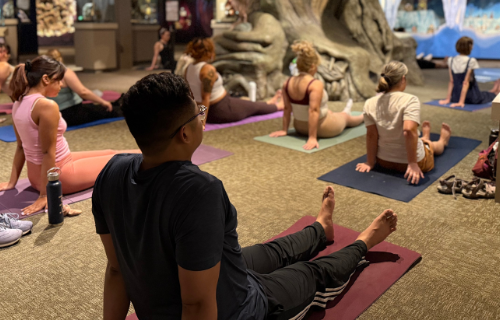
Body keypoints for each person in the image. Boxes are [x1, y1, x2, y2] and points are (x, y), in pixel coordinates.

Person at [92, 72, 398, 320]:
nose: (202, 117)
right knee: (311, 273)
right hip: (241, 310)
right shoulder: (198, 191)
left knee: (271, 252)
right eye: (198, 113)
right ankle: (363, 243)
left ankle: (320, 228)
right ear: (184, 134)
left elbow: (117, 269)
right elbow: (196, 306)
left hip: (217, 282)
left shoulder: (112, 171)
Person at [0, 56, 139, 216]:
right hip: (59, 174)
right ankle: (157, 156)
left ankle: (152, 154)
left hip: (36, 175)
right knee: (121, 161)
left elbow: (20, 147)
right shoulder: (46, 106)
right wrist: (46, 195)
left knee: (112, 152)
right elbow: (47, 153)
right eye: (58, 80)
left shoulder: (18, 102)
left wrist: (12, 182)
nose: (61, 85)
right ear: (45, 79)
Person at [356, 61, 451, 184]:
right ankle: (441, 141)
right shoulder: (410, 100)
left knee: (418, 138)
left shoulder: (370, 102)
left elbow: (371, 135)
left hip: (384, 162)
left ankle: (424, 138)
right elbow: (408, 131)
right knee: (431, 146)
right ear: (403, 79)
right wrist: (412, 163)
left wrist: (369, 162)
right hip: (414, 163)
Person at [270, 41, 364, 150]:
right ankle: (363, 116)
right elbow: (313, 111)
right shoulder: (315, 84)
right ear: (313, 66)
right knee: (345, 117)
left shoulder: (287, 83)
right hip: (323, 128)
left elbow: (287, 108)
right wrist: (312, 137)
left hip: (299, 127)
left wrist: (284, 130)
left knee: (329, 112)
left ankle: (347, 111)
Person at [183, 37, 283, 124]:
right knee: (252, 107)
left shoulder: (188, 68)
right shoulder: (207, 70)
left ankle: (269, 103)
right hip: (221, 109)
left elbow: (191, 95)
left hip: (214, 107)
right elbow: (205, 98)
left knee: (249, 103)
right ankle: (278, 107)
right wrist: (202, 122)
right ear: (208, 52)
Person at [45, 49, 123, 127]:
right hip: (69, 113)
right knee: (106, 110)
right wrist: (102, 102)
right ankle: (125, 107)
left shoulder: (42, 74)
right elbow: (83, 92)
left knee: (93, 106)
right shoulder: (65, 72)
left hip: (53, 115)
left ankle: (118, 103)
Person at [439, 36, 500, 107]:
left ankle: (494, 89)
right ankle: (495, 90)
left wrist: (448, 99)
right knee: (487, 96)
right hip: (471, 97)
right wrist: (461, 102)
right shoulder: (471, 61)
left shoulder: (451, 60)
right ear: (470, 47)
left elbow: (451, 81)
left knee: (484, 94)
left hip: (456, 97)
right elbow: (466, 83)